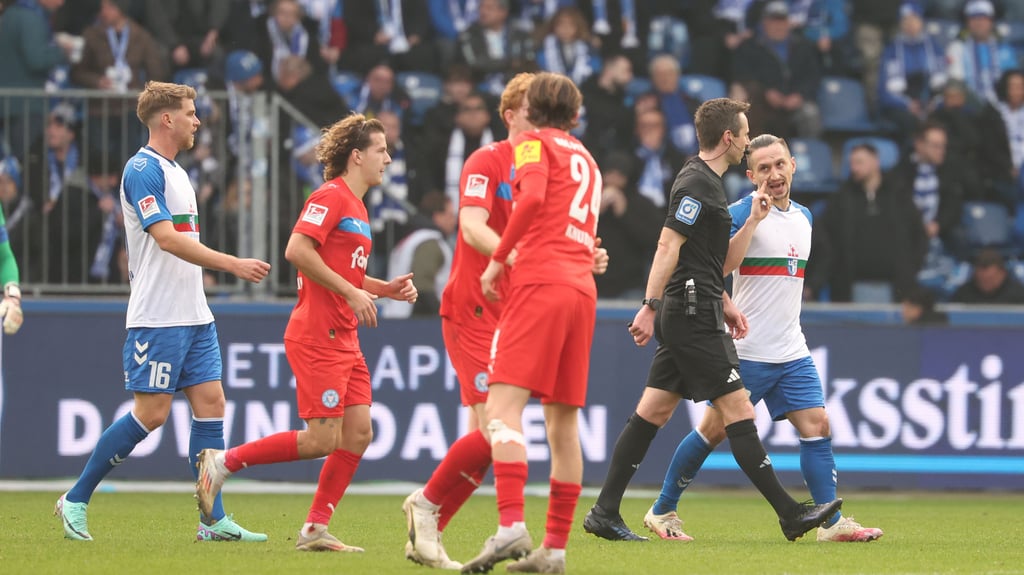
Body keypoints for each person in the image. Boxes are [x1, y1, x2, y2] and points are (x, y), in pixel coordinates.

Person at [582, 98, 842, 544]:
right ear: (729, 138)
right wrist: (649, 303)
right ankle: (789, 512)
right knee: (735, 414)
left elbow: (705, 259)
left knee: (653, 411)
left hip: (699, 307)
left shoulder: (712, 186)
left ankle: (605, 511)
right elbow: (668, 247)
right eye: (744, 136)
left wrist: (722, 303)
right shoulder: (698, 185)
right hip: (690, 313)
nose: (746, 142)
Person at [402, 72, 608, 570]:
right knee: (546, 424)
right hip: (518, 301)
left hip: (533, 291)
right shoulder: (571, 159)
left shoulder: (538, 149)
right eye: (514, 106)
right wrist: (566, 257)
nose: (522, 114)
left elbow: (537, 205)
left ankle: (466, 517)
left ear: (533, 113)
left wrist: (514, 259)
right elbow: (475, 225)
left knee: (501, 419)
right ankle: (547, 547)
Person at [54, 81, 272, 542]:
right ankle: (74, 498)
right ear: (166, 118)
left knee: (212, 405)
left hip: (195, 314)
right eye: (191, 113)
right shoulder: (141, 170)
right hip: (158, 316)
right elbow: (168, 239)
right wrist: (232, 264)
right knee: (151, 414)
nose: (197, 120)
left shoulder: (178, 172)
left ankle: (211, 520)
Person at [641, 134, 883, 543]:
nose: (774, 175)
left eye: (780, 165)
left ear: (793, 165)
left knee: (817, 423)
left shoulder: (805, 217)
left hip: (791, 349)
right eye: (764, 168)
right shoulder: (736, 213)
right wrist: (727, 298)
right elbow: (700, 267)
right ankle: (662, 508)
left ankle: (832, 524)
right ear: (751, 175)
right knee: (713, 430)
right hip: (747, 350)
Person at [195, 113, 419, 552]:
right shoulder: (331, 196)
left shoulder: (356, 205)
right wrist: (352, 295)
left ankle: (315, 528)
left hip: (343, 335)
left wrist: (380, 288)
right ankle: (221, 463)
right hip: (319, 333)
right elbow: (297, 250)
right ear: (357, 156)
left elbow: (342, 269)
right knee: (322, 439)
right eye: (381, 150)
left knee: (358, 433)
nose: (388, 159)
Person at [950, 248, 1024, 304]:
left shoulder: (1019, 294)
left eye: (991, 279)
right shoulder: (963, 294)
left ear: (1002, 274)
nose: (986, 283)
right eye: (981, 280)